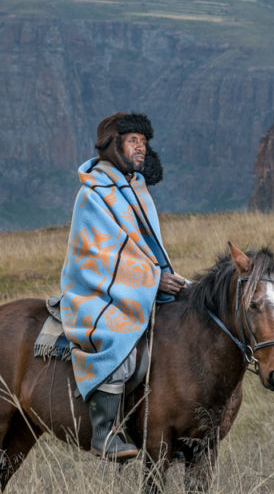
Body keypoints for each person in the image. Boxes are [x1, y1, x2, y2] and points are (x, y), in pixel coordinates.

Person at [60, 112, 187, 461]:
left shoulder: (136, 188)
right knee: (119, 339)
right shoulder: (93, 194)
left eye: (144, 143)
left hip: (137, 285)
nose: (141, 149)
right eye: (133, 141)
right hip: (97, 290)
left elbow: (143, 246)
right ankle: (105, 432)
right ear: (113, 145)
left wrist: (168, 278)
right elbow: (101, 254)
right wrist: (153, 278)